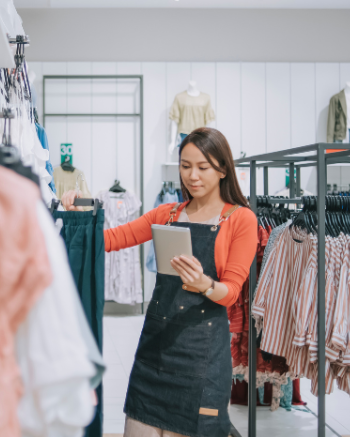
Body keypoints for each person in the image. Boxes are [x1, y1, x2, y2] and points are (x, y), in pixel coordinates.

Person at [62, 127, 258, 437]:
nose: (192, 175)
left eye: (203, 167)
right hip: (155, 353)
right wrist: (78, 215)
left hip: (202, 360)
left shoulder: (240, 219)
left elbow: (231, 293)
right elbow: (110, 239)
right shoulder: (166, 214)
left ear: (223, 169)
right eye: (185, 166)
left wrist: (205, 283)